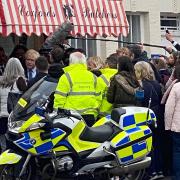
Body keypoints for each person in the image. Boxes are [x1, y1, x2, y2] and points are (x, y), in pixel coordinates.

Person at [54, 52, 102, 126]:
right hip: (89, 116)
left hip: (70, 117)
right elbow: (98, 98)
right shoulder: (93, 77)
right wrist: (94, 113)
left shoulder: (66, 77)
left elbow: (59, 99)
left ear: (71, 62)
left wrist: (57, 115)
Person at [0, 57, 26, 152]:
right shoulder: (20, 81)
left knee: (3, 146)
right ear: (20, 67)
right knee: (16, 147)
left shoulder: (1, 81)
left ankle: (4, 164)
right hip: (14, 118)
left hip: (2, 117)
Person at [165, 65, 180, 180]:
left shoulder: (176, 87)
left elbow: (169, 109)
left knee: (177, 152)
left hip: (177, 127)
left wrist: (168, 126)